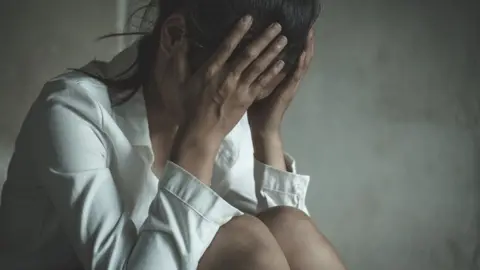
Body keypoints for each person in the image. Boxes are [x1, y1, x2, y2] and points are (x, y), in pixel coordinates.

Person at [0, 0, 346, 269]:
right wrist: (199, 142)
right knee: (244, 237)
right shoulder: (71, 111)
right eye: (238, 80)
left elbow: (286, 246)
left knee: (289, 226)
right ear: (174, 36)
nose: (238, 105)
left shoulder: (230, 106)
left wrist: (266, 133)